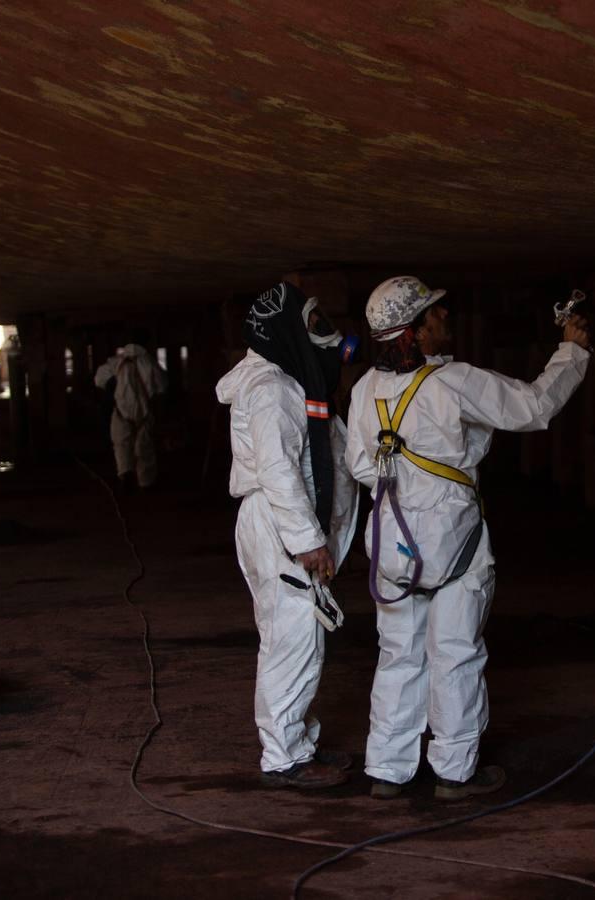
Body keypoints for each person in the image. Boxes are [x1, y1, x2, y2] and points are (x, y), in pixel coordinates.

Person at [345, 276, 591, 800]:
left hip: (393, 542)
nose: (445, 320)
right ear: (413, 332)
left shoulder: (363, 390)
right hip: (453, 538)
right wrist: (571, 351)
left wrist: (409, 485)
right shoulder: (452, 382)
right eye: (435, 315)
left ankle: (388, 772)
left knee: (399, 655)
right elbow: (532, 408)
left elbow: (360, 467)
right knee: (454, 651)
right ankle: (455, 773)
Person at [215, 283, 359, 789]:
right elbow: (279, 470)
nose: (323, 331)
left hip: (279, 523)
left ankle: (296, 743)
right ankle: (284, 757)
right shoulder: (272, 389)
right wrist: (306, 539)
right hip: (280, 524)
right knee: (291, 639)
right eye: (313, 321)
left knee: (295, 633)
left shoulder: (286, 381)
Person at [93, 341, 166, 490]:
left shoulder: (117, 363)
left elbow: (99, 379)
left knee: (122, 447)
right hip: (143, 414)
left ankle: (128, 479)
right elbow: (162, 386)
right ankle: (145, 484)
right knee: (144, 449)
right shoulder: (150, 364)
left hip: (122, 413)